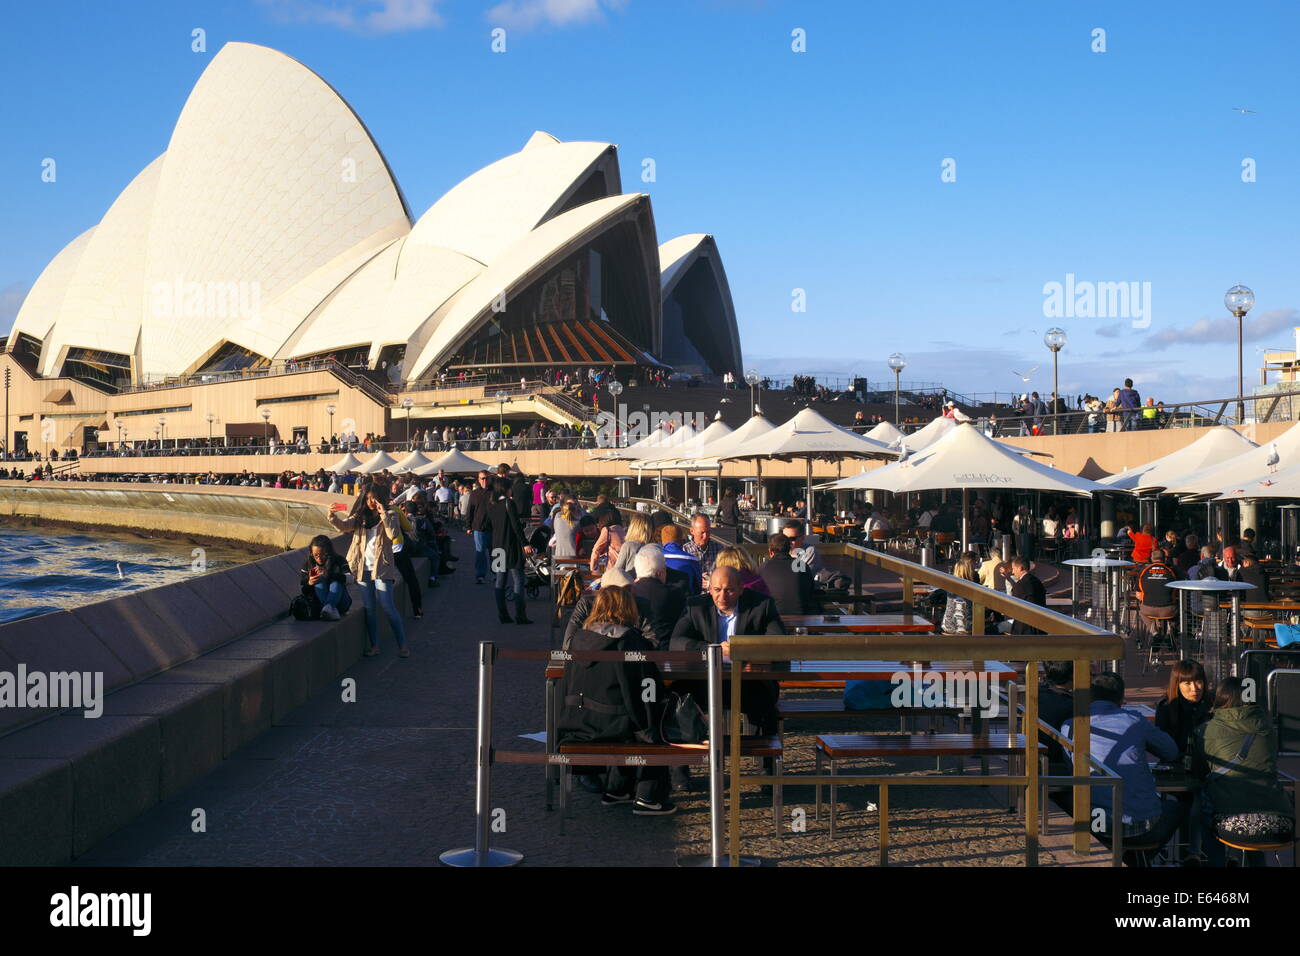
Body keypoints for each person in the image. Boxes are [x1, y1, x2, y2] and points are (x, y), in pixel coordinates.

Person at [557, 585, 674, 815]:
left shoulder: (578, 639)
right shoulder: (628, 640)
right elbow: (640, 690)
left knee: (626, 715)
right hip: (613, 723)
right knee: (652, 724)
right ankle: (648, 797)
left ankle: (618, 789)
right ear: (626, 608)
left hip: (579, 723)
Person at [1062, 672, 1184, 865]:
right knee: (1178, 807)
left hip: (1095, 824)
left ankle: (1124, 858)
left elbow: (1072, 767)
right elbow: (1171, 751)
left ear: (1090, 696)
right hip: (1143, 826)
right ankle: (1135, 860)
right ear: (1121, 697)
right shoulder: (1134, 720)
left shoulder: (1069, 726)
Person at [1190, 676, 1296, 866]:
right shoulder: (1267, 727)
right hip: (1279, 821)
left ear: (1220, 698)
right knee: (1254, 823)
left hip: (1232, 822)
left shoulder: (1206, 730)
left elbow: (1198, 770)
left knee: (1206, 808)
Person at [669, 566, 785, 736]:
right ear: (709, 589)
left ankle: (766, 757)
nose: (722, 596)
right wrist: (713, 649)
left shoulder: (762, 605)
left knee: (765, 703)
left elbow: (779, 642)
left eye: (729, 590)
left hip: (748, 682)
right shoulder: (695, 606)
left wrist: (743, 649)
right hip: (705, 680)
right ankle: (680, 755)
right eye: (717, 590)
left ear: (741, 589)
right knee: (676, 694)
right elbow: (676, 642)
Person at [327, 482, 409, 658]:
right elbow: (344, 527)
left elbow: (393, 534)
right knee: (370, 609)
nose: (371, 501)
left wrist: (383, 514)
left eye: (374, 498)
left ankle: (402, 645)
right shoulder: (360, 517)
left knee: (388, 607)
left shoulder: (391, 514)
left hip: (382, 567)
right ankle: (374, 646)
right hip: (362, 568)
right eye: (368, 498)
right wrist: (332, 516)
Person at [488, 477, 532, 624]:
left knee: (500, 581)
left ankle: (503, 614)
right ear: (506, 489)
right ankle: (520, 615)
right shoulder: (509, 503)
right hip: (511, 547)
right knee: (518, 579)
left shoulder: (492, 504)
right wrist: (525, 543)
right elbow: (516, 526)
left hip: (497, 547)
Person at [630, 545, 686, 648]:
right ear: (660, 572)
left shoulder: (628, 594)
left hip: (636, 650)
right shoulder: (675, 594)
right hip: (668, 651)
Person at [1154, 659, 1211, 758]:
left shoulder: (1212, 704)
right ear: (1177, 685)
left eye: (1198, 682)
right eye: (1187, 683)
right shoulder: (1166, 708)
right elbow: (1162, 747)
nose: (1194, 688)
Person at [759, 532, 817, 616]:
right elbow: (810, 590)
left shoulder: (763, 567)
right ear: (789, 549)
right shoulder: (800, 564)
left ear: (771, 552)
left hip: (774, 617)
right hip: (801, 616)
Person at [300, 534, 352, 621]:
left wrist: (329, 574)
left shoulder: (339, 560)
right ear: (311, 553)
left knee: (336, 581)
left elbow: (351, 579)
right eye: (315, 555)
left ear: (329, 552)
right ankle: (329, 609)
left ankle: (329, 607)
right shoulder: (307, 564)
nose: (319, 558)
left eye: (322, 554)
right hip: (319, 604)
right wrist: (310, 583)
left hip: (342, 603)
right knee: (318, 581)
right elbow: (303, 589)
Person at [1003, 556, 1046, 634]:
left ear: (1020, 568)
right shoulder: (1037, 581)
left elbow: (1014, 608)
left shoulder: (1021, 585)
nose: (1013, 572)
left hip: (1024, 629)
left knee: (995, 628)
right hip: (1040, 627)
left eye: (1013, 568)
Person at [940, 554, 979, 634]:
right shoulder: (971, 588)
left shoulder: (950, 587)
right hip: (964, 628)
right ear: (968, 571)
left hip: (947, 626)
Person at [467, 470, 493, 584]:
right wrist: (468, 526)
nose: (484, 481)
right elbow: (470, 511)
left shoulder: (495, 492)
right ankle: (480, 575)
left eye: (486, 478)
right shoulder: (474, 494)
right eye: (482, 478)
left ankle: (499, 575)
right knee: (480, 552)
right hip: (479, 528)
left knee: (498, 552)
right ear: (478, 480)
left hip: (495, 528)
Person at [660, 524, 701, 593]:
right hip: (685, 601)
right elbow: (698, 588)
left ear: (662, 542)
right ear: (682, 541)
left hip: (661, 600)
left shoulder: (656, 558)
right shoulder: (692, 560)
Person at [683, 513, 724, 583]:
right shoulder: (685, 550)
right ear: (692, 531)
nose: (705, 536)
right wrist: (697, 580)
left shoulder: (718, 548)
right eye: (702, 532)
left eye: (708, 532)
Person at [589, 509, 626, 574]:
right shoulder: (622, 529)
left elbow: (596, 549)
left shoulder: (608, 530)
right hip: (623, 565)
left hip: (611, 566)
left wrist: (592, 568)